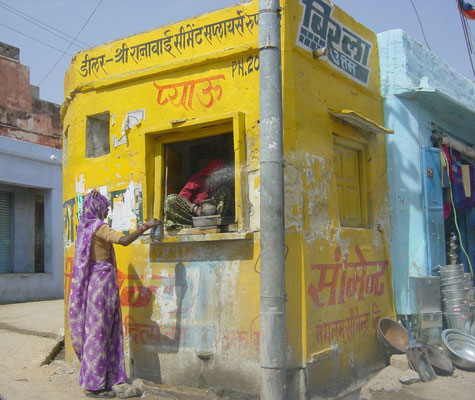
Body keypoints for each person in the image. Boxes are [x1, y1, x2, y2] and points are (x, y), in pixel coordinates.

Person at [68, 189, 161, 398]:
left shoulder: (84, 227)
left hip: (94, 283)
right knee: (99, 334)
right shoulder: (99, 228)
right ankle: (93, 387)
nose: (108, 209)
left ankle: (100, 380)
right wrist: (146, 226)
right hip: (102, 285)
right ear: (98, 209)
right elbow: (124, 241)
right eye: (105, 206)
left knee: (97, 332)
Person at [164, 158, 234, 230]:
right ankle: (187, 225)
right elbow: (183, 196)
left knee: (226, 191)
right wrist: (195, 209)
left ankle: (217, 224)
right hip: (193, 216)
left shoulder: (224, 184)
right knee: (171, 199)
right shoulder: (198, 178)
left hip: (214, 217)